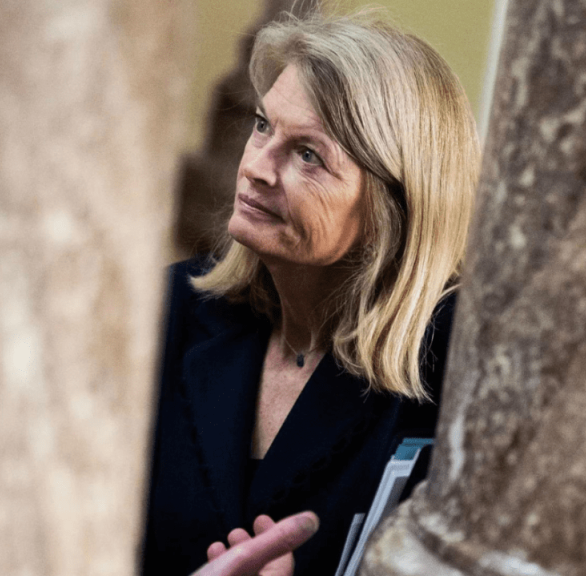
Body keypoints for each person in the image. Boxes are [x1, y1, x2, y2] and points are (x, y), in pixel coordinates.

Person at [142, 11, 480, 576]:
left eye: (308, 154)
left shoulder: (462, 364)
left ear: (394, 207)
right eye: (262, 125)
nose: (256, 168)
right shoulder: (172, 311)